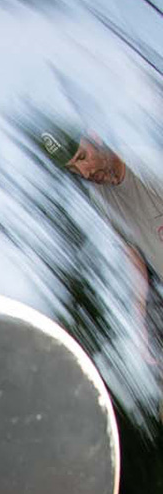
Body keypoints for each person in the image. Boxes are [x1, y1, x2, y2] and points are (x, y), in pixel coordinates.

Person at [40, 125, 163, 362]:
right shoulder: (101, 197)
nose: (85, 172)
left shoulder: (147, 165)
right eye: (74, 168)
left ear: (95, 138)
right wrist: (141, 317)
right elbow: (133, 251)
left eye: (83, 157)